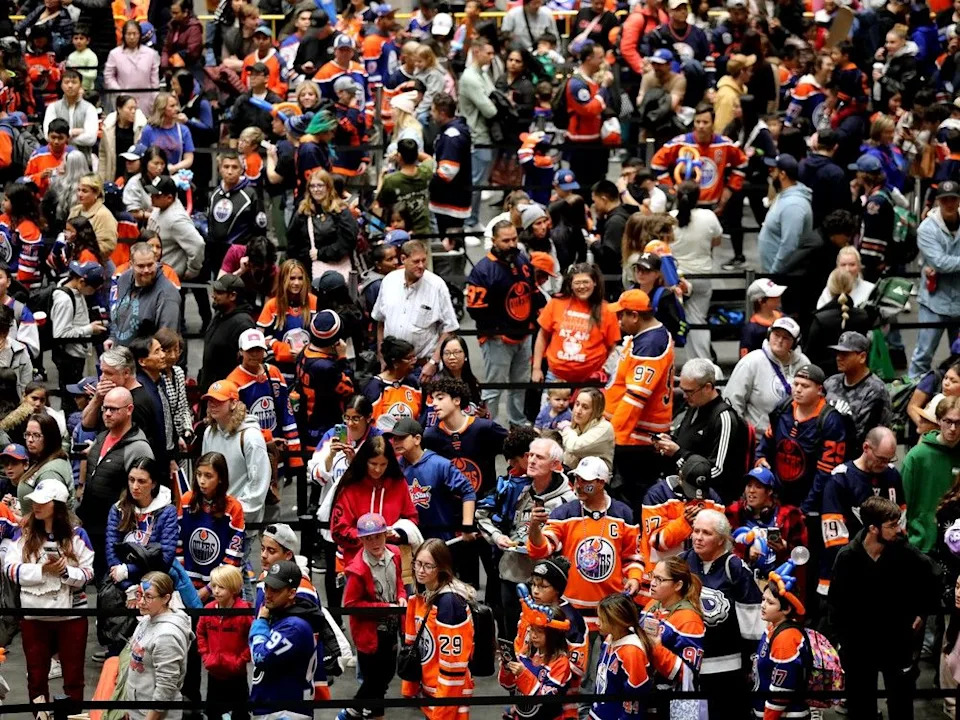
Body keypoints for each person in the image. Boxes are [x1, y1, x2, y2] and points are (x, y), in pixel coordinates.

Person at [828, 496, 937, 720]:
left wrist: (921, 611)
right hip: (859, 645)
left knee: (902, 705)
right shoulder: (847, 558)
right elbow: (836, 604)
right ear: (873, 528)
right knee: (861, 707)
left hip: (896, 641)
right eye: (892, 525)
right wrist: (843, 642)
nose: (898, 529)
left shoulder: (902, 550)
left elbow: (933, 574)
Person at [4, 479, 93, 702]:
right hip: (34, 615)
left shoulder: (78, 535)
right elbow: (9, 568)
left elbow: (89, 573)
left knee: (74, 678)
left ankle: (72, 717)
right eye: (34, 501)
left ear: (58, 505)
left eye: (43, 502)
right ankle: (40, 717)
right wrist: (42, 570)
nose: (36, 506)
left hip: (72, 615)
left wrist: (65, 573)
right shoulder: (23, 534)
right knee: (36, 677)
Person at [679, 510, 762, 719]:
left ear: (721, 540)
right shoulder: (680, 564)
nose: (698, 537)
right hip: (686, 672)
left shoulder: (734, 568)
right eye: (695, 531)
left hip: (727, 673)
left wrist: (751, 665)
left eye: (706, 533)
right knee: (686, 717)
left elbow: (753, 626)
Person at [651, 104, 748, 269]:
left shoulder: (725, 144)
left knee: (706, 244)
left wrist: (730, 188)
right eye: (697, 122)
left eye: (705, 122)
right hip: (684, 202)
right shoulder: (680, 143)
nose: (701, 126)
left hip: (713, 204)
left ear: (713, 123)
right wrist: (672, 188)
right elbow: (656, 164)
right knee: (681, 242)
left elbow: (743, 162)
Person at [604, 288, 674, 505]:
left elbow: (635, 399)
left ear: (634, 316)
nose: (618, 321)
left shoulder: (650, 345)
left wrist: (610, 437)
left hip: (636, 440)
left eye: (621, 315)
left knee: (631, 499)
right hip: (633, 436)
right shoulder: (647, 337)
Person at [818, 426, 903, 595]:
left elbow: (900, 526)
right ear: (866, 448)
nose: (885, 464)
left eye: (889, 460)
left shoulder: (892, 476)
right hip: (845, 576)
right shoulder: (841, 479)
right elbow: (834, 538)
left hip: (883, 574)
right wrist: (861, 566)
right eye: (880, 459)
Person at [79, 386, 154, 577]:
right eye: (105, 408)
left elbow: (146, 493)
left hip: (117, 530)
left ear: (129, 410)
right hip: (91, 525)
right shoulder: (102, 437)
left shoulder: (138, 448)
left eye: (114, 409)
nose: (107, 414)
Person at [466, 219, 535, 426]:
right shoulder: (482, 271)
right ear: (494, 241)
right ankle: (489, 424)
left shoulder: (522, 261)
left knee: (520, 383)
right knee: (494, 386)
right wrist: (495, 332)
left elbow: (530, 293)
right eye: (506, 240)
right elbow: (475, 309)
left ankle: (517, 420)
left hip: (523, 335)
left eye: (514, 239)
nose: (512, 244)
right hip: (497, 340)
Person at [201, 379, 271, 578]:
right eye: (209, 401)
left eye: (218, 401)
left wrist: (235, 513)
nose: (212, 405)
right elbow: (205, 473)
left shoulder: (250, 437)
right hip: (213, 519)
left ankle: (248, 609)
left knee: (238, 576)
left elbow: (258, 485)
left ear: (233, 403)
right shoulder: (209, 432)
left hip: (239, 523)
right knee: (219, 577)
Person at [756, 363, 849, 513]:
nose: (798, 390)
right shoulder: (783, 408)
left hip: (810, 500)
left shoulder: (831, 421)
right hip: (778, 496)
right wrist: (760, 458)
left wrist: (806, 508)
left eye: (805, 386)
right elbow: (767, 440)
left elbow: (825, 473)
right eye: (796, 384)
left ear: (819, 390)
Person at [400, 538, 476, 718]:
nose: (420, 570)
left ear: (441, 567)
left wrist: (442, 711)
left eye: (428, 566)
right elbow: (413, 644)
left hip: (447, 699)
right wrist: (411, 685)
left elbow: (453, 667)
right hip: (429, 691)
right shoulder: (422, 594)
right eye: (418, 563)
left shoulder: (450, 604)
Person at [654, 358, 747, 503]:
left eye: (689, 392)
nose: (685, 396)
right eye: (683, 390)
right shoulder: (694, 406)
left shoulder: (724, 418)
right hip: (683, 490)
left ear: (708, 387)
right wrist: (667, 442)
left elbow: (718, 471)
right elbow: (681, 441)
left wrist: (678, 454)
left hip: (711, 499)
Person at [341, 512, 406, 720]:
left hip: (392, 629)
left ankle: (352, 712)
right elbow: (351, 605)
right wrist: (386, 606)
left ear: (386, 535)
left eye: (378, 536)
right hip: (370, 635)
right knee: (373, 680)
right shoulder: (358, 569)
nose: (374, 542)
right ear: (361, 540)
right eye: (368, 538)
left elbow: (400, 584)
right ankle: (372, 714)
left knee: (386, 674)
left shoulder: (394, 554)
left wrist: (402, 597)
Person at [371, 239, 459, 378]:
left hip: (423, 369)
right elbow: (380, 321)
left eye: (424, 260)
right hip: (392, 369)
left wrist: (433, 362)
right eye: (416, 261)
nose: (421, 265)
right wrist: (381, 357)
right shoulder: (389, 281)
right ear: (403, 259)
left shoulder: (436, 285)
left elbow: (449, 328)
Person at [330, 434, 419, 570]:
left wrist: (398, 533)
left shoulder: (399, 484)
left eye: (383, 464)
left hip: (394, 564)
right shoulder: (350, 487)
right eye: (373, 464)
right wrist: (372, 538)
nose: (378, 469)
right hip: (357, 566)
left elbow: (412, 518)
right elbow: (338, 531)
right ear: (364, 461)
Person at [532, 263, 620, 385]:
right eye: (577, 283)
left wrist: (605, 373)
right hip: (556, 377)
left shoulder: (607, 310)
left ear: (594, 282)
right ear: (571, 285)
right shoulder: (555, 303)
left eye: (585, 282)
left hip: (591, 381)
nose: (582, 286)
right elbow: (542, 336)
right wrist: (536, 368)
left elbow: (612, 347)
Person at [124, 570, 195, 720]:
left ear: (166, 598)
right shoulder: (145, 620)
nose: (141, 601)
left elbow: (166, 687)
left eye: (148, 596)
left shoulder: (167, 636)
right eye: (139, 595)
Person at [105, 456, 177, 601]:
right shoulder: (118, 509)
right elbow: (111, 552)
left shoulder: (167, 511)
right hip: (121, 583)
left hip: (156, 583)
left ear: (154, 483)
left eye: (141, 481)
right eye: (131, 480)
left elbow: (164, 559)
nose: (135, 486)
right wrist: (129, 587)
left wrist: (127, 571)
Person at [643, 556, 706, 720]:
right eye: (652, 576)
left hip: (675, 706)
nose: (653, 583)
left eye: (660, 579)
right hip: (648, 696)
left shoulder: (689, 619)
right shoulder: (651, 605)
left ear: (678, 585)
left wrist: (656, 648)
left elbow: (688, 672)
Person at [177, 452, 246, 599]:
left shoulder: (233, 508)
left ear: (220, 478)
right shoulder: (186, 501)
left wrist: (210, 588)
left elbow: (233, 557)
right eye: (199, 474)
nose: (202, 481)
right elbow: (178, 544)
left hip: (221, 589)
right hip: (188, 583)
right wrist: (182, 583)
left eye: (208, 476)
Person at [909, 180, 960, 379]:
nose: (949, 203)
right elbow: (940, 263)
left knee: (959, 357)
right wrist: (942, 266)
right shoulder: (927, 229)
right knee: (923, 356)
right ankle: (910, 399)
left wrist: (947, 264)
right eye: (944, 200)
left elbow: (944, 263)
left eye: (953, 199)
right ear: (938, 202)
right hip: (935, 303)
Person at [724, 317, 810, 432]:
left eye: (786, 338)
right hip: (759, 438)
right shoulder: (752, 361)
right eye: (776, 335)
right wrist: (742, 433)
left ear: (795, 343)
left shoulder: (803, 363)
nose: (779, 340)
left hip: (793, 438)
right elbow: (733, 400)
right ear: (769, 335)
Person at [670, 181, 722, 360]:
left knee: (668, 321)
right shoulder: (709, 216)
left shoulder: (669, 219)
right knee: (698, 320)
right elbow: (716, 241)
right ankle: (701, 364)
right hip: (701, 275)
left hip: (675, 279)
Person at [499, 597, 574, 720]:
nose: (533, 635)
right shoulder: (526, 651)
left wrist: (523, 674)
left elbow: (546, 698)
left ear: (554, 634)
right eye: (532, 629)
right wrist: (507, 669)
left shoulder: (561, 663)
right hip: (521, 715)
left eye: (539, 631)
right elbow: (509, 686)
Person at [902, 396, 960, 554]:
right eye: (948, 421)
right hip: (921, 544)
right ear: (939, 421)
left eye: (958, 423)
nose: (953, 428)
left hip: (955, 547)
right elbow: (903, 503)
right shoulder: (917, 457)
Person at [726, 466, 807, 578]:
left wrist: (785, 549)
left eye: (758, 487)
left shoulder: (790, 516)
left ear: (769, 491)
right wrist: (746, 552)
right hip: (741, 580)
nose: (751, 491)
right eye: (749, 486)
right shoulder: (734, 512)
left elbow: (802, 557)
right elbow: (722, 545)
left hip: (776, 582)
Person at [295, 309, 356, 453]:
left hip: (306, 426)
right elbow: (349, 389)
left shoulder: (304, 352)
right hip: (324, 431)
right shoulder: (326, 368)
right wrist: (342, 358)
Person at [196, 564, 251, 720]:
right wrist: (206, 657)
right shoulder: (208, 609)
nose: (216, 591)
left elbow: (252, 639)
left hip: (237, 676)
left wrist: (240, 661)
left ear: (234, 589)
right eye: (214, 586)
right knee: (213, 714)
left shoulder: (244, 612)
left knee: (240, 714)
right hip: (214, 675)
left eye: (222, 587)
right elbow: (200, 634)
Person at [287, 167, 358, 282]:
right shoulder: (302, 211)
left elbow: (348, 240)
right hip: (308, 270)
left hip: (339, 267)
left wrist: (321, 254)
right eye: (312, 186)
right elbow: (293, 243)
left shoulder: (340, 211)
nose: (316, 189)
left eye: (320, 185)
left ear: (328, 187)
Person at [590, 593, 653, 720]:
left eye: (602, 619)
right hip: (599, 713)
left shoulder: (632, 652)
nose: (597, 623)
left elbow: (635, 695)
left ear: (618, 621)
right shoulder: (609, 639)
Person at [755, 573, 810, 720]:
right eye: (763, 599)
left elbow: (782, 691)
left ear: (786, 609)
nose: (763, 605)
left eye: (770, 603)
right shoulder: (772, 626)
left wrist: (768, 717)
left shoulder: (786, 639)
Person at [823, 331, 893, 445]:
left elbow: (867, 437)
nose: (838, 358)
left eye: (845, 354)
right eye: (838, 353)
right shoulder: (830, 382)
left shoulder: (876, 391)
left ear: (862, 357)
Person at [110, 241, 182, 346]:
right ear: (131, 265)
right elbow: (119, 315)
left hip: (146, 359)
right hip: (121, 357)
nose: (146, 270)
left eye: (150, 265)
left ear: (156, 261)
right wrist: (113, 338)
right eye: (141, 266)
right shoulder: (124, 280)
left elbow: (167, 341)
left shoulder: (167, 295)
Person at [257, 258, 316, 383]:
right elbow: (260, 339)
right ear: (283, 279)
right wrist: (285, 351)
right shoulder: (272, 306)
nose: (296, 283)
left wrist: (306, 352)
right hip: (279, 373)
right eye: (292, 278)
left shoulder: (314, 302)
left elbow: (323, 338)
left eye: (300, 278)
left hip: (308, 371)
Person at [198, 274, 256, 393]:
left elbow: (248, 365)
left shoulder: (243, 324)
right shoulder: (220, 314)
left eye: (219, 293)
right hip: (210, 389)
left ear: (232, 296)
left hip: (226, 394)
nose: (213, 296)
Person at [757, 154, 813, 274]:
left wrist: (774, 273)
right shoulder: (784, 195)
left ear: (782, 174)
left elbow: (789, 246)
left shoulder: (793, 205)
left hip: (781, 277)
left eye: (773, 170)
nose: (771, 173)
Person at [427, 92, 472, 241]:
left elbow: (447, 172)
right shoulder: (454, 130)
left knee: (450, 247)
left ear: (442, 113)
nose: (431, 114)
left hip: (450, 201)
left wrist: (428, 183)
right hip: (454, 198)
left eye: (433, 110)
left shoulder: (451, 136)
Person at [145, 174, 204, 281]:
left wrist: (192, 270)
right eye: (152, 194)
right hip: (154, 272)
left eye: (157, 195)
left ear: (169, 198)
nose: (152, 198)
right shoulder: (159, 208)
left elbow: (198, 244)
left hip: (168, 278)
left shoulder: (176, 219)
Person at [104, 22, 160, 116]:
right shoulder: (115, 54)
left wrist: (155, 99)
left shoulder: (151, 54)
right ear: (124, 35)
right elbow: (108, 76)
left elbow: (154, 80)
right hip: (123, 99)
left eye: (135, 34)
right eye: (129, 34)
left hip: (146, 100)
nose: (132, 37)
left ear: (139, 35)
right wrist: (119, 92)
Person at [798, 128, 849, 228]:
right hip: (825, 227)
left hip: (801, 218)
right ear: (835, 147)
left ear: (816, 144)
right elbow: (842, 206)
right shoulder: (836, 173)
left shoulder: (801, 165)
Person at [41, 69, 98, 156]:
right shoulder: (53, 107)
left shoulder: (89, 108)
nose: (70, 85)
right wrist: (72, 133)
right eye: (66, 82)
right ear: (61, 85)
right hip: (57, 159)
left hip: (82, 160)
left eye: (74, 82)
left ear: (80, 85)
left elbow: (91, 139)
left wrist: (62, 138)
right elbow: (47, 135)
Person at [558, 387, 614, 470]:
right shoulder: (575, 426)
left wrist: (566, 429)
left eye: (585, 407)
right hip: (573, 475)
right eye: (577, 404)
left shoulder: (604, 427)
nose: (578, 411)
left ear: (596, 411)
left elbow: (573, 447)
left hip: (596, 480)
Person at [139, 92, 195, 172]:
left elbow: (189, 159)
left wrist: (174, 168)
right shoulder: (148, 130)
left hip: (176, 175)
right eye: (172, 106)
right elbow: (143, 157)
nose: (177, 109)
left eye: (176, 105)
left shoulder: (183, 130)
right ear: (161, 109)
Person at [67, 173, 118, 260]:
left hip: (95, 264)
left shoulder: (104, 215)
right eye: (78, 190)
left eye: (84, 191)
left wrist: (83, 253)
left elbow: (108, 246)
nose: (79, 194)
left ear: (96, 193)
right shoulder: (75, 210)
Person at [98, 95, 147, 185]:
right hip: (113, 171)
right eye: (130, 108)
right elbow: (103, 154)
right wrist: (101, 178)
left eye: (135, 109)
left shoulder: (140, 128)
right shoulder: (108, 128)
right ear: (119, 109)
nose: (133, 111)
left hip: (133, 174)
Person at [740, 278, 786, 357]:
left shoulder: (784, 319)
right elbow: (745, 359)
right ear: (761, 301)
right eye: (773, 296)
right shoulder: (751, 330)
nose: (778, 297)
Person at [0, 306, 32, 398]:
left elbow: (26, 392)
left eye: (3, 332)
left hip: (13, 407)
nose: (1, 337)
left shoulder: (20, 351)